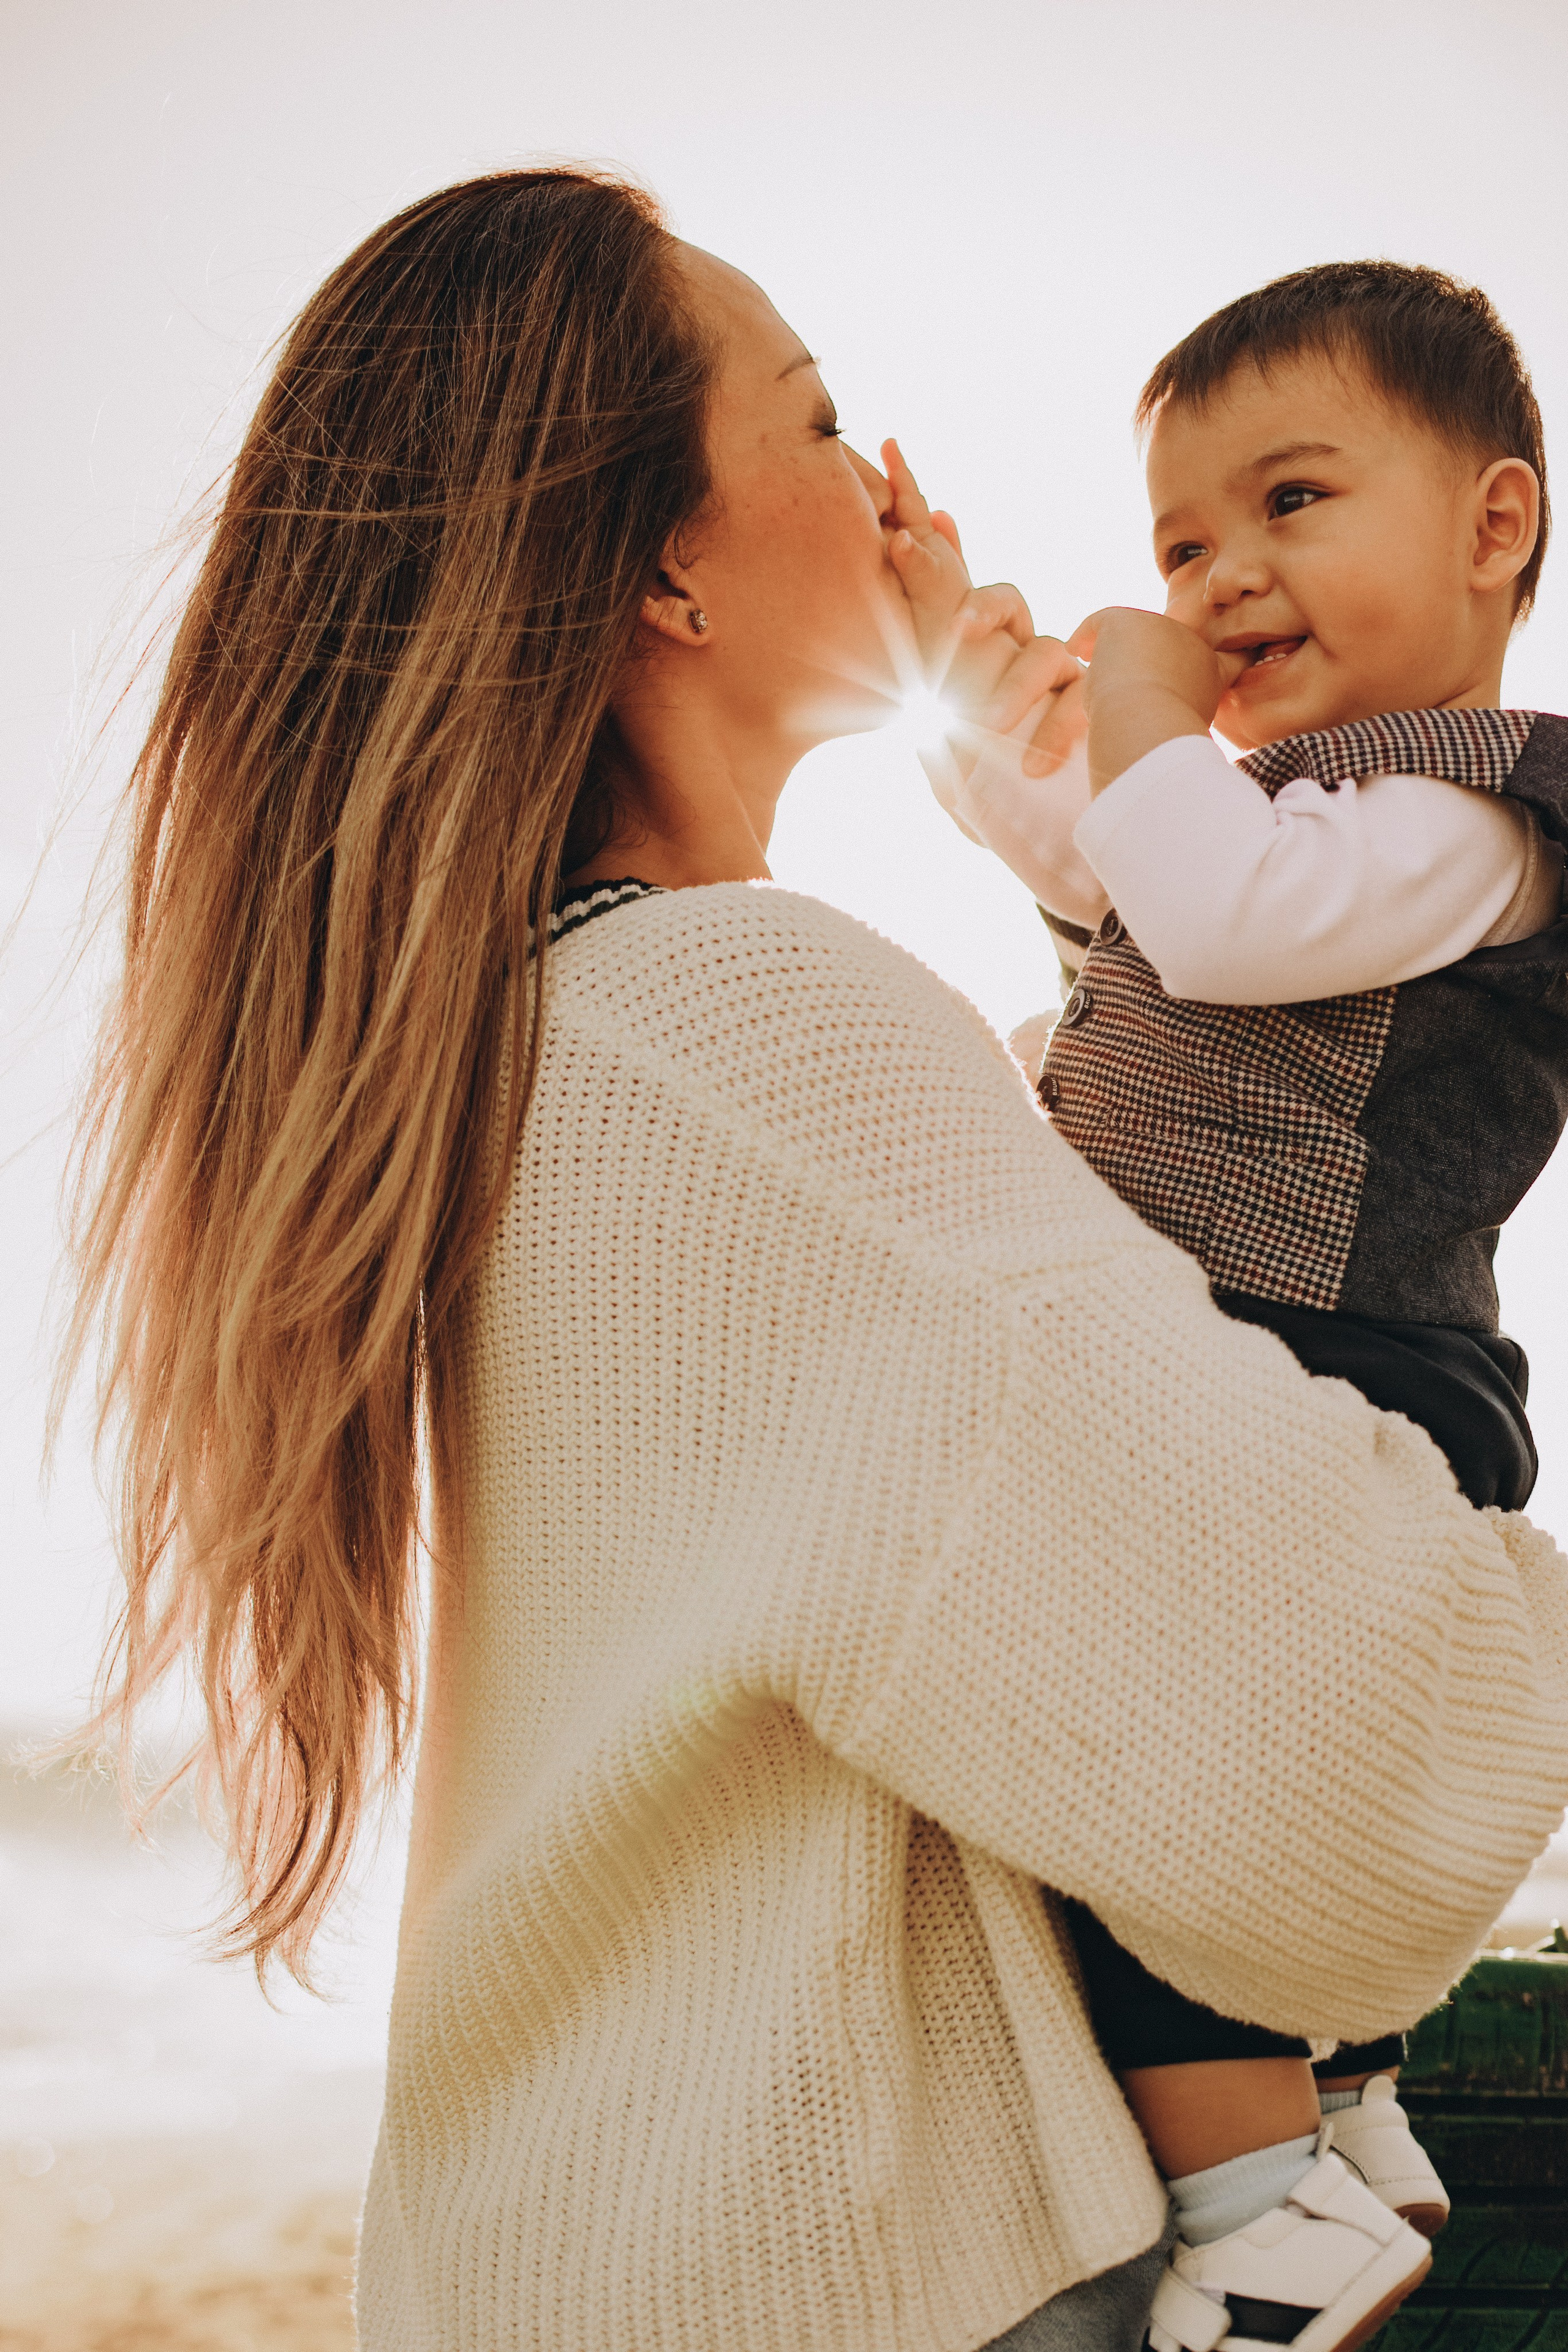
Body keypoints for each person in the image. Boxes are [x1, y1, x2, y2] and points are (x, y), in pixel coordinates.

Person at [62, 175, 1568, 2352]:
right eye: (817, 415)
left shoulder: (541, 1044)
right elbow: (1353, 1752)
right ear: (667, 564)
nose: (884, 480)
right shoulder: (762, 1040)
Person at [903, 262, 1567, 2350]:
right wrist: (950, 654)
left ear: (1491, 525)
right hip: (1251, 1364)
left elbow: (1203, 900)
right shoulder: (1265, 804)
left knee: (1155, 1763)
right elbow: (1088, 843)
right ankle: (1351, 2115)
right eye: (1185, 541)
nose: (1224, 577)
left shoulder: (1483, 815)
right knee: (1210, 1754)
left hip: (1346, 1363)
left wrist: (1146, 718)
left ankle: (1265, 2202)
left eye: (1292, 503)